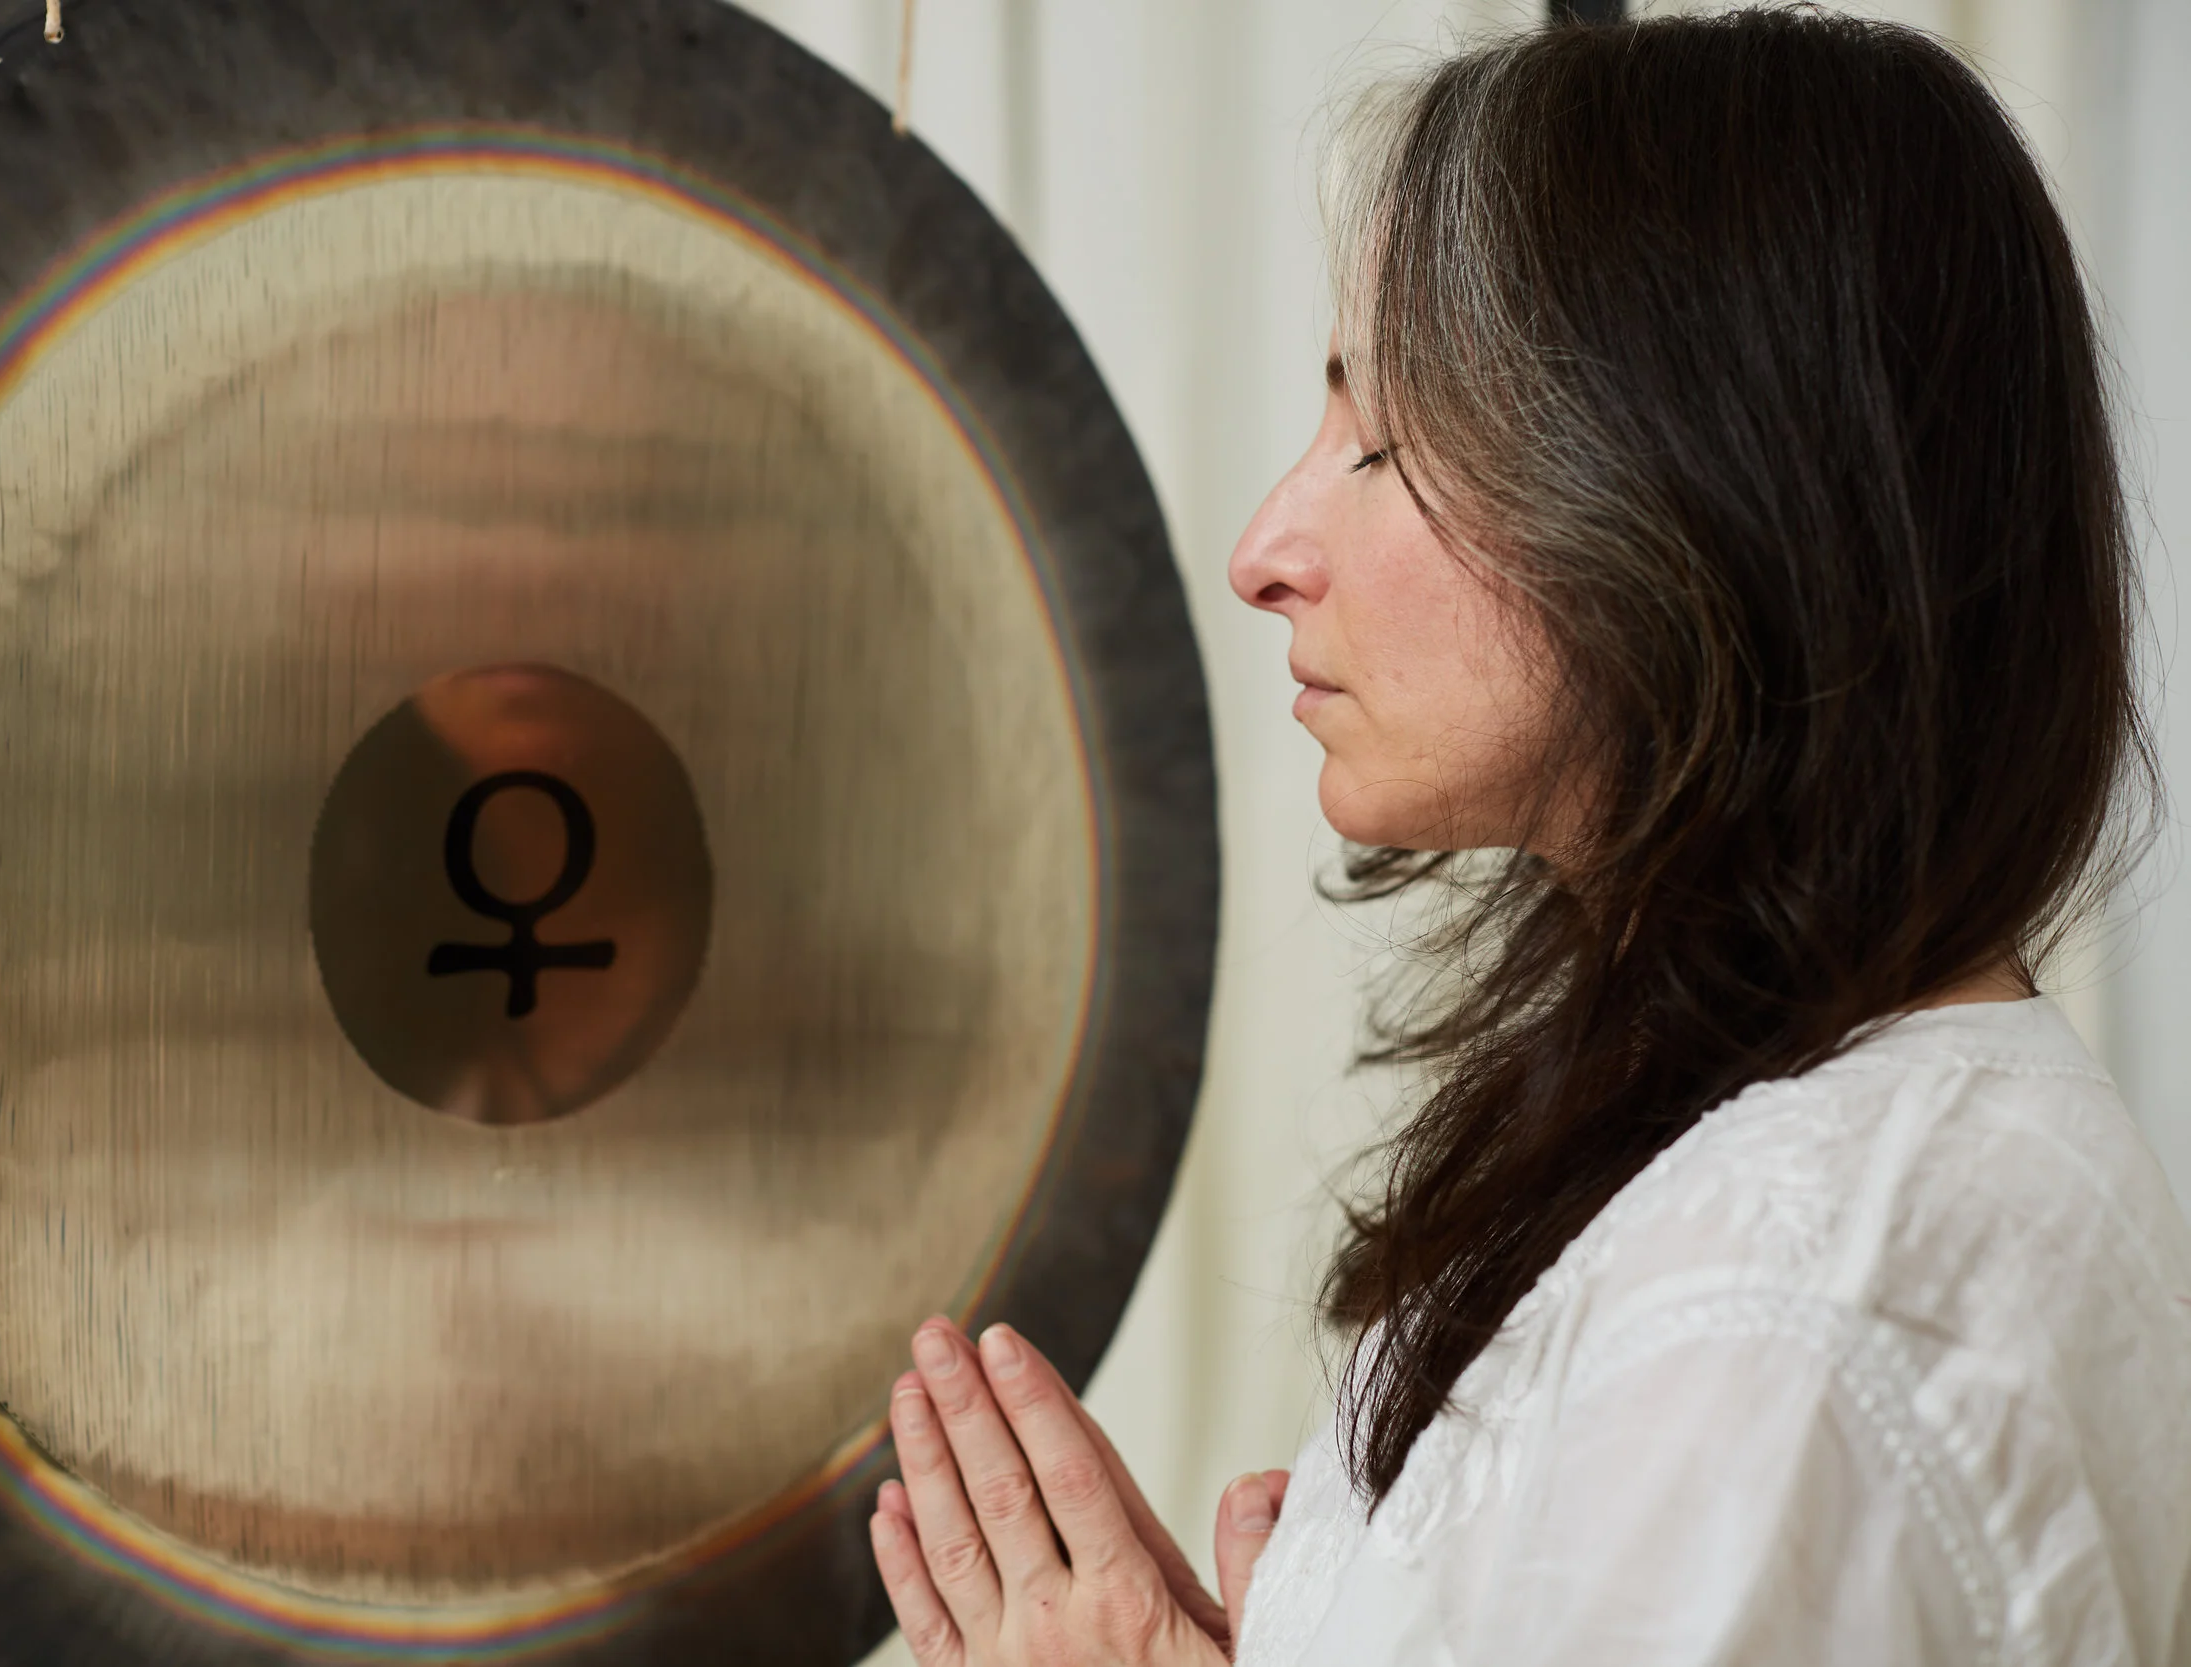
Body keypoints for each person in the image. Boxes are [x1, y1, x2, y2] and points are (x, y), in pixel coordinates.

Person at [862, 9, 2191, 1665]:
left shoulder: (1790, 1313)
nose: (1265, 548)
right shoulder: (1796, 1164)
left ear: (1696, 488)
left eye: (1381, 439)